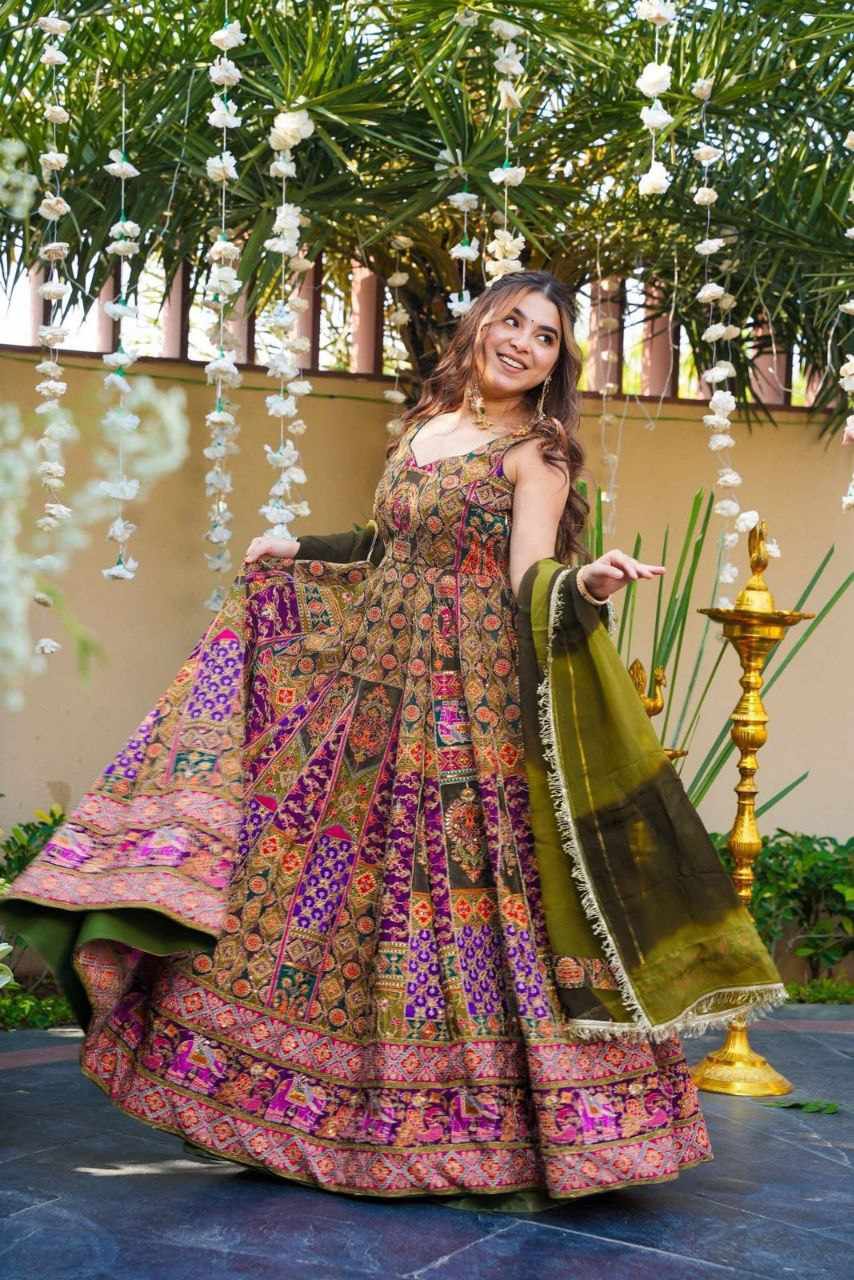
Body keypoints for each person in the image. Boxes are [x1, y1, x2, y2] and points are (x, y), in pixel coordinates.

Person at [3, 268, 766, 1208]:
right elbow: (386, 544)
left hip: (466, 700)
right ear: (480, 324)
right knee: (318, 873)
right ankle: (291, 1105)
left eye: (546, 337)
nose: (523, 343)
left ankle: (492, 1130)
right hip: (370, 686)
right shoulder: (423, 428)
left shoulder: (537, 452)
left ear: (556, 364)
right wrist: (298, 549)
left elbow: (529, 577)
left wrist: (589, 583)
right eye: (513, 321)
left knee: (461, 889)